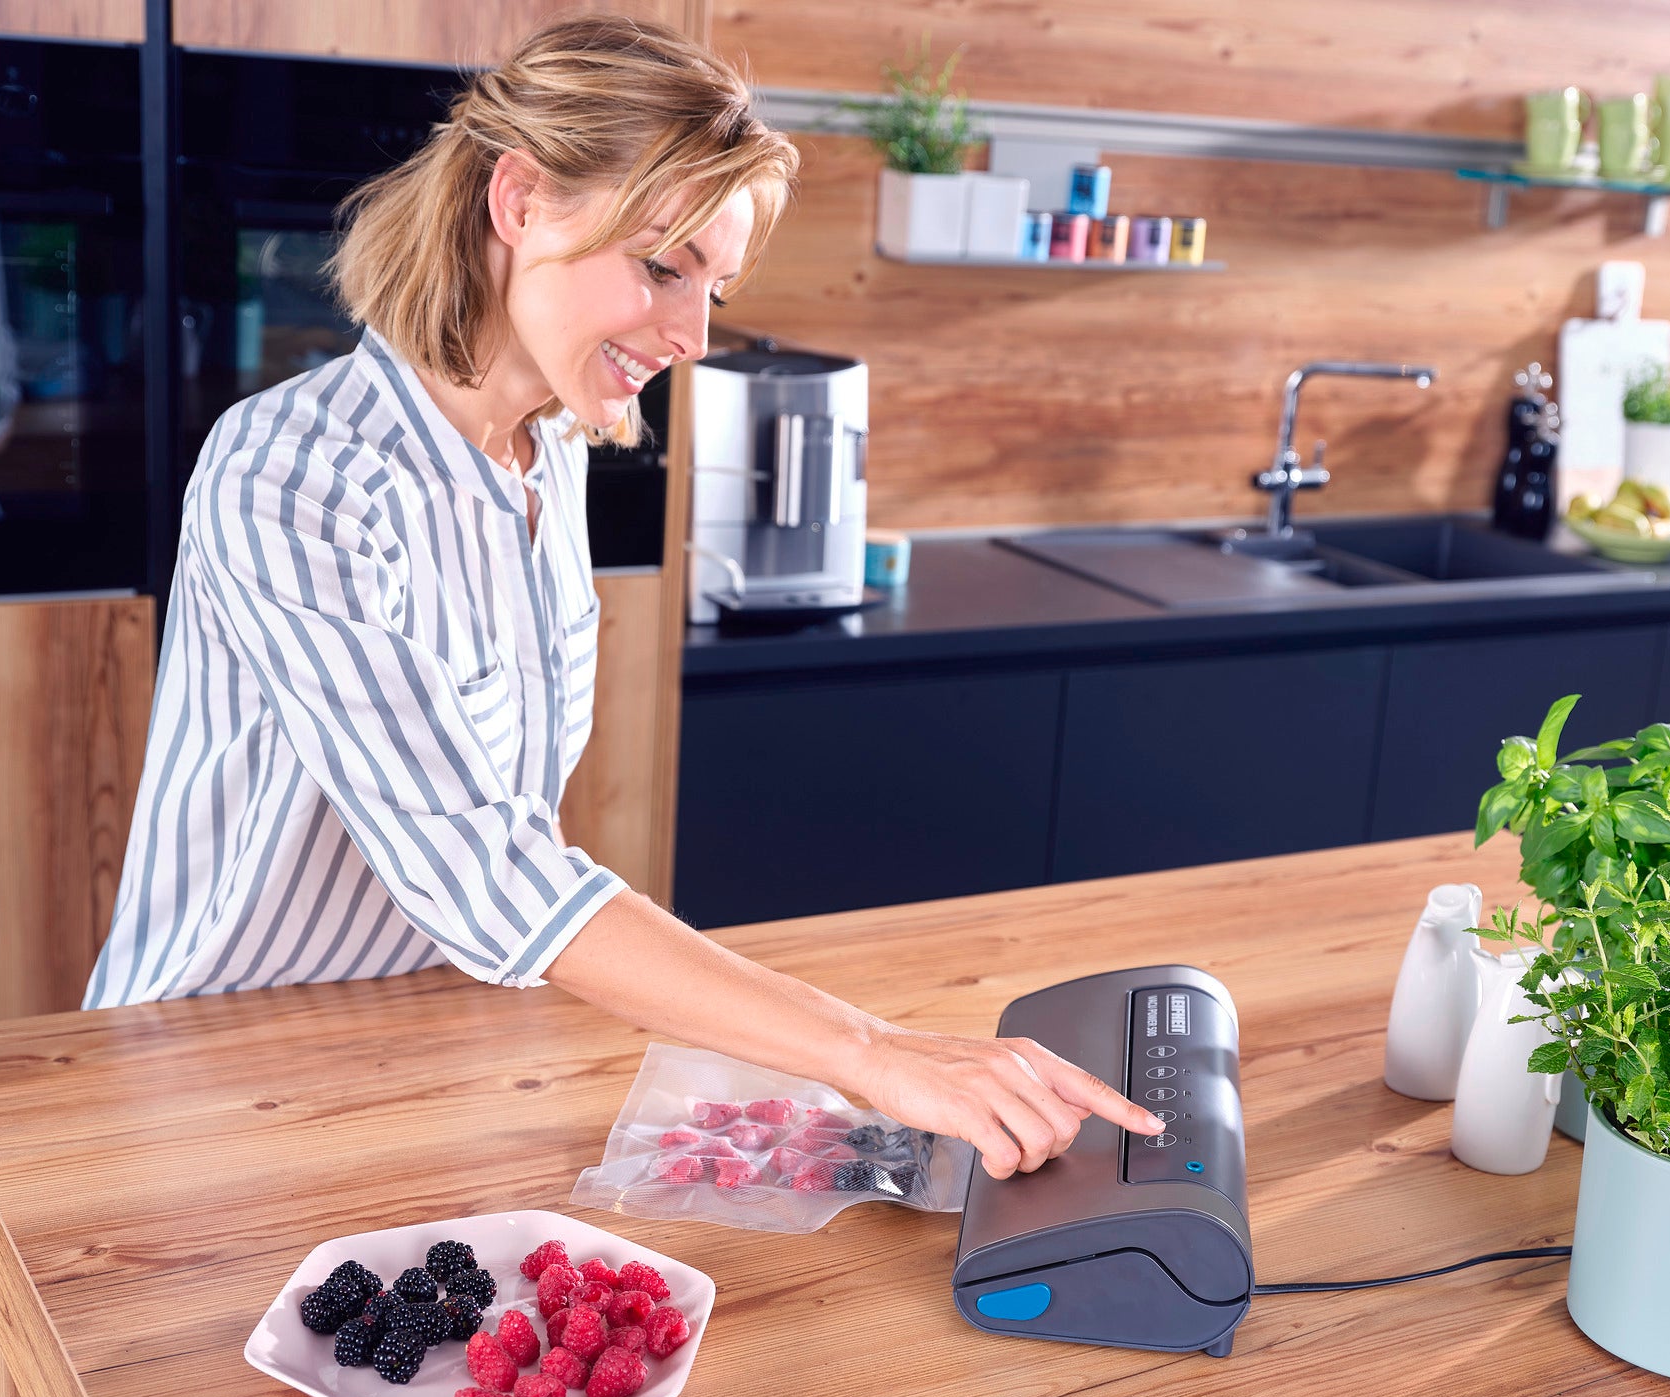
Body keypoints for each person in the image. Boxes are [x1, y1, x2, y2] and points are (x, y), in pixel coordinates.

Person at [84, 16, 1162, 1177]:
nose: (693, 334)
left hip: (415, 1050)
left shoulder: (551, 449)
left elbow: (515, 840)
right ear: (520, 201)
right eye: (662, 267)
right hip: (201, 1074)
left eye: (717, 284)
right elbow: (484, 866)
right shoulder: (295, 477)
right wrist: (871, 1050)